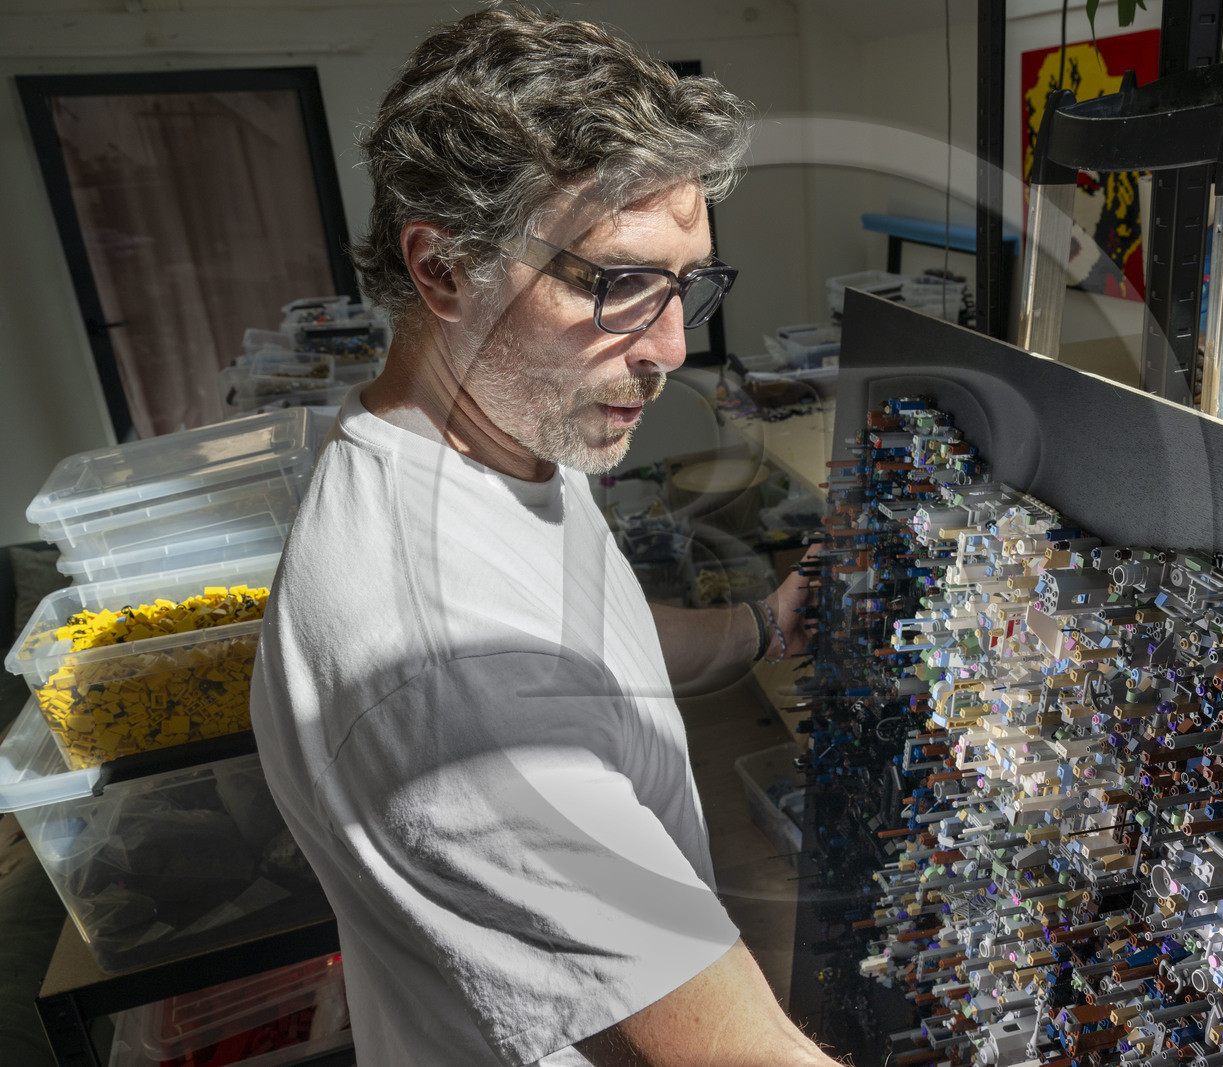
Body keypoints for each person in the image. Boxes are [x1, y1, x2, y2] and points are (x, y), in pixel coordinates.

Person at [251, 9, 840, 1066]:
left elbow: (590, 640)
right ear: (443, 270)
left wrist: (761, 623)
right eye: (618, 282)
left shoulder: (502, 437)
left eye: (687, 282)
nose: (672, 346)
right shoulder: (450, 681)